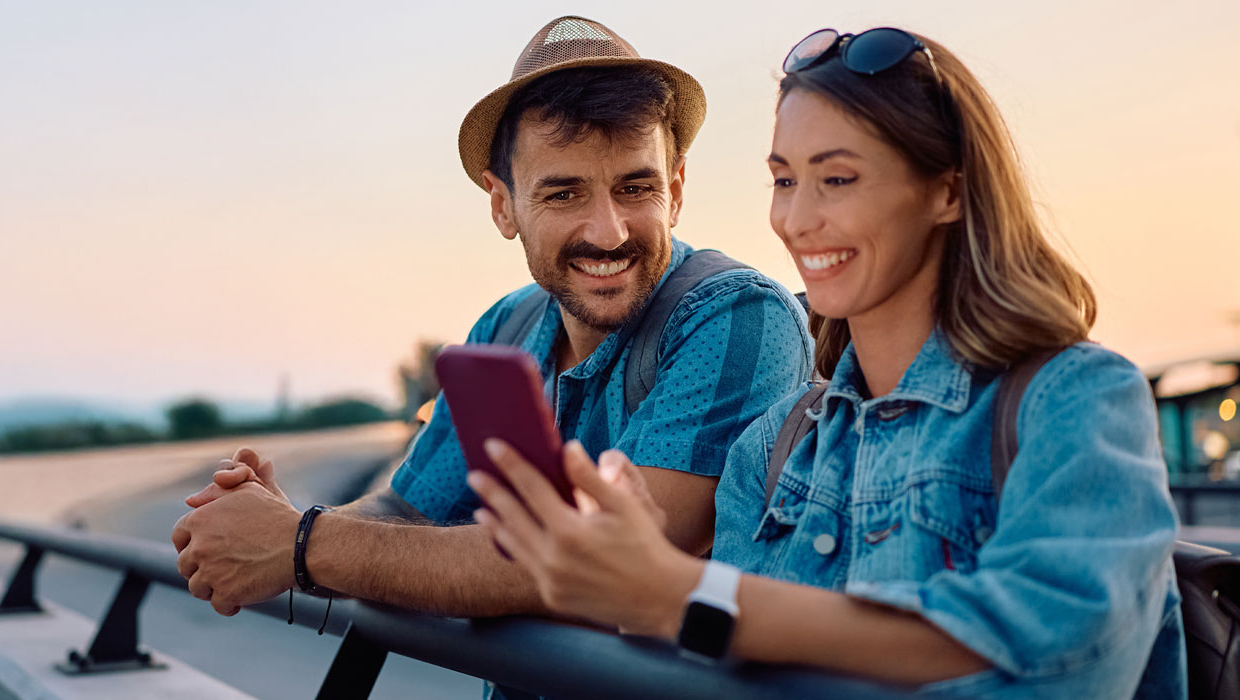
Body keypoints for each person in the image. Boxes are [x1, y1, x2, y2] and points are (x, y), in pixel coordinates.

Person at [469, 27, 1184, 698]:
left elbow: (1057, 657)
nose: (797, 219)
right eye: (784, 180)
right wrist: (628, 580)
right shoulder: (774, 450)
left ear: (950, 190)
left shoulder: (1079, 398)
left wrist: (687, 595)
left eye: (836, 180)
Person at [171, 14, 811, 639]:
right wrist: (282, 527)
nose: (608, 231)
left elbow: (604, 566)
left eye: (635, 188)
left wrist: (303, 545)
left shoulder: (736, 317)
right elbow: (409, 510)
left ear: (674, 189)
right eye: (563, 194)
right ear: (503, 205)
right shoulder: (508, 325)